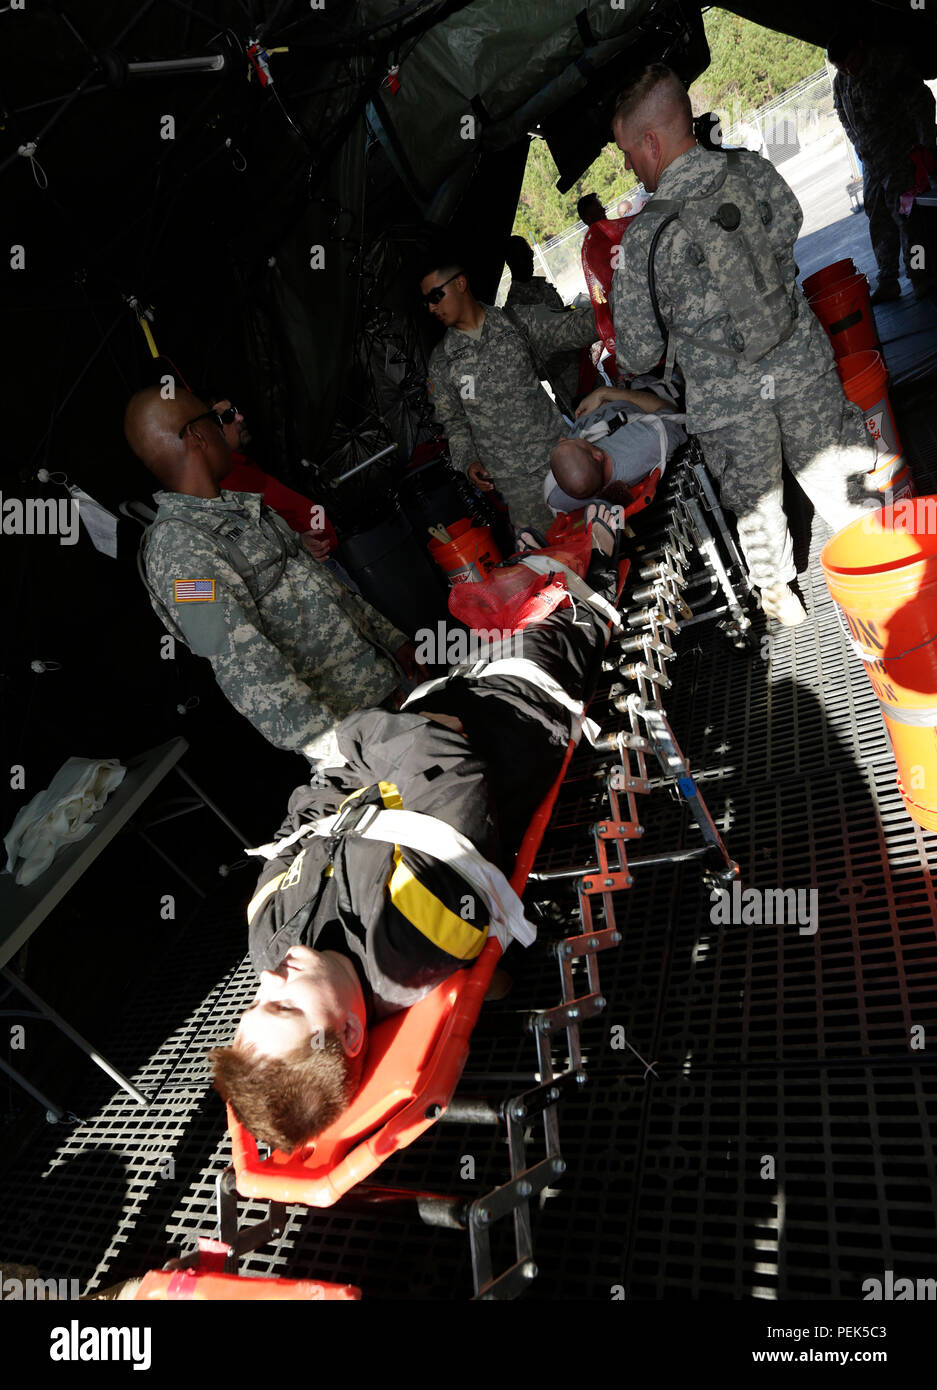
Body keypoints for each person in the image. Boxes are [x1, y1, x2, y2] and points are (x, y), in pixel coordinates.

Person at [209, 503, 627, 1151]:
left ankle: (533, 554)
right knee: (564, 594)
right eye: (284, 1006)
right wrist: (379, 747)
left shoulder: (272, 941)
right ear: (351, 1032)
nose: (268, 980)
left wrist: (370, 749)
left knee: (485, 596)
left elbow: (303, 810)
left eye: (254, 1004)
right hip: (520, 702)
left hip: (435, 707)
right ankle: (594, 537)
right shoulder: (410, 944)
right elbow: (443, 767)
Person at [610, 62, 877, 627]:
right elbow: (789, 227)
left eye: (628, 152)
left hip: (729, 403)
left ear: (651, 143)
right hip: (799, 360)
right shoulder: (750, 170)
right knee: (842, 475)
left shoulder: (644, 239)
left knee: (756, 505)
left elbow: (636, 354)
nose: (630, 165)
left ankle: (782, 599)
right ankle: (885, 575)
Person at [124, 387, 419, 764]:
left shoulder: (238, 509)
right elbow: (240, 662)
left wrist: (392, 640)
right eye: (215, 421)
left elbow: (322, 584)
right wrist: (331, 750)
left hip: (383, 688)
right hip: (353, 733)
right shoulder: (179, 551)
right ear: (197, 435)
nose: (223, 428)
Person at [421, 256, 599, 535]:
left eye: (436, 296)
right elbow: (453, 424)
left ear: (460, 283)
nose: (432, 307)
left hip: (563, 458)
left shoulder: (515, 322)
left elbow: (572, 327)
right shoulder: (443, 362)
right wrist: (469, 462)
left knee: (601, 531)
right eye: (427, 301)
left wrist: (613, 312)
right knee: (555, 562)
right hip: (517, 487)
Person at [828, 32, 937, 303]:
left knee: (909, 220)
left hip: (902, 156)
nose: (848, 70)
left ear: (861, 46)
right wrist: (858, 143)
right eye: (841, 67)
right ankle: (888, 279)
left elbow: (922, 102)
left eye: (851, 62)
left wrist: (926, 147)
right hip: (873, 164)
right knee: (877, 220)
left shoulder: (889, 65)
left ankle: (921, 276)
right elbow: (843, 114)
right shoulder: (841, 82)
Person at [207, 395, 339, 562]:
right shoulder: (224, 483)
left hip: (323, 557)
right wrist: (297, 544)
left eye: (236, 411)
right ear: (209, 431)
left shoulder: (242, 467)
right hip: (312, 566)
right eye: (227, 416)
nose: (239, 418)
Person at [544, 380, 686, 514]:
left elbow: (567, 468)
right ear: (597, 456)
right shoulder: (647, 439)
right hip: (635, 395)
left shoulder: (556, 497)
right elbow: (673, 413)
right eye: (573, 442)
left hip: (592, 409)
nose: (563, 438)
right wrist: (606, 393)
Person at [503, 236, 563, 310]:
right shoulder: (515, 303)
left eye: (531, 253)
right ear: (511, 262)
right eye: (524, 255)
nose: (530, 258)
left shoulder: (541, 284)